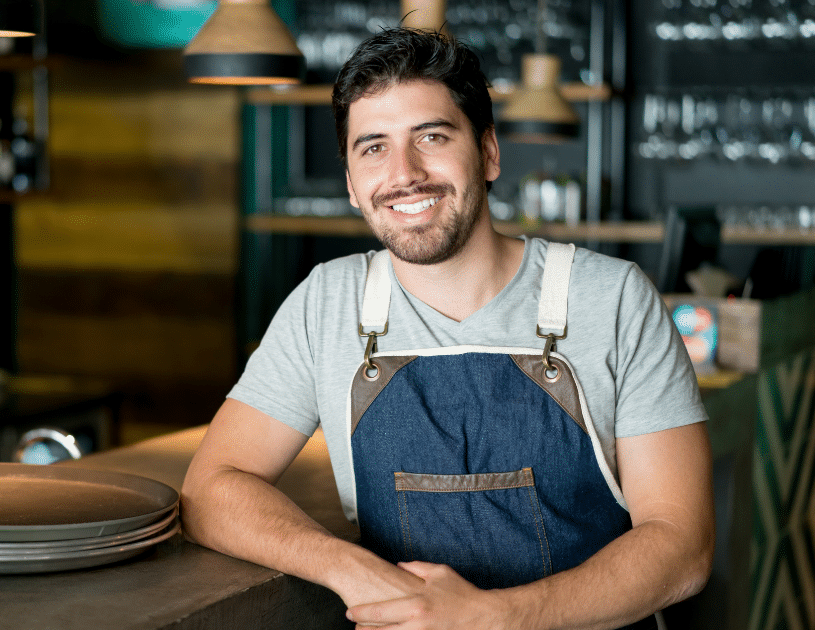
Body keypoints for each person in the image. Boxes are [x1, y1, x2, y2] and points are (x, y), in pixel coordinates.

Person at [182, 27, 714, 630]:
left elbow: (681, 546)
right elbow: (210, 489)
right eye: (373, 147)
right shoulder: (327, 303)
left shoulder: (612, 298)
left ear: (488, 153)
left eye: (431, 137)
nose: (404, 173)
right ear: (353, 184)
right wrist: (350, 569)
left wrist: (492, 617)